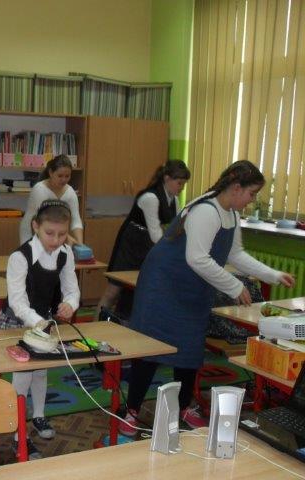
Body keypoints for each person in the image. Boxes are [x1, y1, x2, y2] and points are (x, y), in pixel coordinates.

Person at [119, 160, 295, 437]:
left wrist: (272, 274)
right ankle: (131, 410)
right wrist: (234, 286)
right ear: (236, 188)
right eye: (251, 193)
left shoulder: (231, 214)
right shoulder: (206, 211)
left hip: (192, 287)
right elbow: (197, 258)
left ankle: (183, 406)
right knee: (152, 348)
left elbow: (235, 254)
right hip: (163, 285)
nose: (251, 200)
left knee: (190, 349)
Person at [0, 199, 80, 459]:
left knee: (42, 372)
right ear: (35, 226)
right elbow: (17, 302)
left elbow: (72, 290)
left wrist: (70, 304)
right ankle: (18, 434)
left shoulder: (66, 254)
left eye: (62, 234)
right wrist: (39, 323)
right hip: (18, 321)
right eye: (50, 233)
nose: (56, 240)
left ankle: (39, 415)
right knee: (22, 377)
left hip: (42, 321)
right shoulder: (19, 257)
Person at [98, 160, 191, 315]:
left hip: (148, 248)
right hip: (131, 244)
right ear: (167, 178)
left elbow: (177, 229)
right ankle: (96, 325)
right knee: (113, 292)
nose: (181, 188)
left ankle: (125, 322)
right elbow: (156, 235)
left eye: (184, 184)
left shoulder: (174, 200)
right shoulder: (150, 197)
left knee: (137, 293)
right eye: (179, 183)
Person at [19, 155, 83, 245]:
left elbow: (76, 220)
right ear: (51, 173)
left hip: (54, 232)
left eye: (67, 176)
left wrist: (80, 244)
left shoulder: (70, 192)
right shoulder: (39, 190)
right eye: (60, 176)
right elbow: (42, 219)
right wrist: (66, 237)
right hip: (32, 229)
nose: (64, 180)